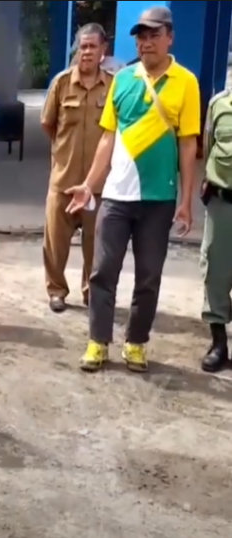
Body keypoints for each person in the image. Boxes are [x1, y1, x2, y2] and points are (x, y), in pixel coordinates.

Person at [65, 6, 200, 372]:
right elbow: (108, 138)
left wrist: (186, 202)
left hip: (158, 199)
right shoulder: (122, 80)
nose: (146, 42)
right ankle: (98, 342)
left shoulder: (186, 82)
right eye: (140, 36)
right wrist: (89, 187)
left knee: (149, 276)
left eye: (154, 34)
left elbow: (189, 145)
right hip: (116, 197)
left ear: (170, 37)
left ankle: (136, 343)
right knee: (102, 272)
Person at [40, 23, 114, 313]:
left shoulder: (112, 85)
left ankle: (91, 291)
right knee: (55, 242)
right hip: (63, 179)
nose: (86, 53)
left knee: (96, 244)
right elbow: (48, 124)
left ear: (103, 51)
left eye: (92, 47)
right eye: (82, 47)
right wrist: (63, 152)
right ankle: (56, 290)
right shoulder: (60, 83)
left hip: (98, 184)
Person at [199, 81, 231, 372]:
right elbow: (208, 145)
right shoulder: (218, 104)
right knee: (215, 272)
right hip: (223, 202)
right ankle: (219, 343)